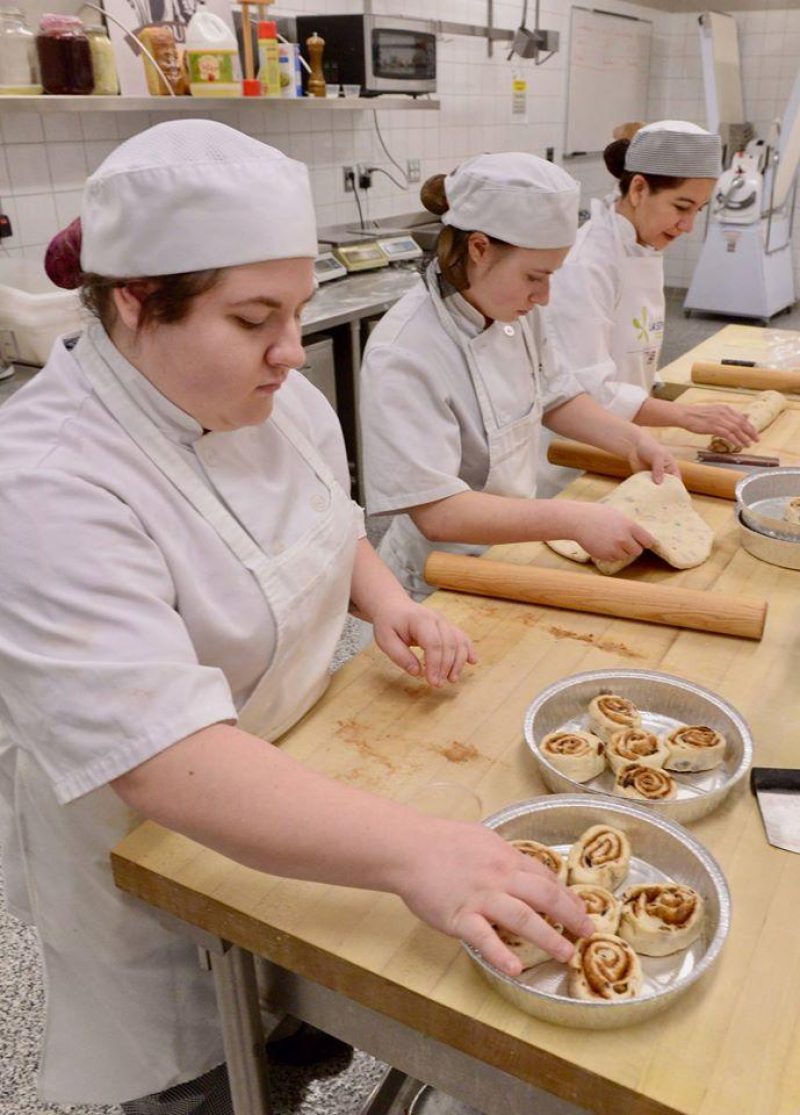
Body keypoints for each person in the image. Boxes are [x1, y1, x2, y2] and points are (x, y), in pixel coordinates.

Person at [0, 122, 594, 1114]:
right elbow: (164, 755)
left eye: (298, 311)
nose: (289, 348)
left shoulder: (270, 394)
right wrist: (419, 850)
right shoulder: (48, 483)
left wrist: (390, 599)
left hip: (309, 794)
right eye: (252, 317)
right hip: (161, 849)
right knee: (210, 1085)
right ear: (135, 302)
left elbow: (330, 521)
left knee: (306, 1032)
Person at [359, 152, 680, 600]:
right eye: (535, 276)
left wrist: (634, 441)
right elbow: (437, 512)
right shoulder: (405, 351)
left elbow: (557, 395)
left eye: (551, 275)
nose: (545, 296)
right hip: (437, 580)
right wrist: (572, 518)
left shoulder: (512, 304)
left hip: (510, 554)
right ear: (479, 248)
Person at [541, 120, 758, 495]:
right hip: (572, 463)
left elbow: (633, 350)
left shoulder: (642, 245)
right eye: (681, 206)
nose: (688, 225)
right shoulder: (585, 264)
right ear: (639, 188)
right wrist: (687, 416)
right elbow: (586, 392)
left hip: (627, 448)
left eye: (699, 210)